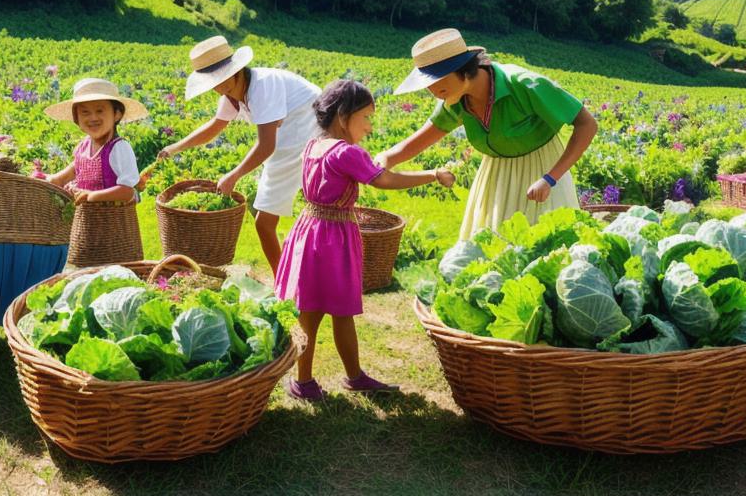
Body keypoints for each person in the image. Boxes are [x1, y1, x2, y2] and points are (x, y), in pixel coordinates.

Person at [276, 80, 455, 401]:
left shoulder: (314, 146)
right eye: (366, 118)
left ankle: (305, 381)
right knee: (340, 311)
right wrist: (433, 174)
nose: (370, 127)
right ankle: (351, 376)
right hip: (333, 239)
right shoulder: (347, 152)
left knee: (309, 311)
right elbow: (383, 179)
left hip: (309, 231)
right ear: (344, 117)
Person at [374, 29, 597, 240]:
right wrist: (386, 158)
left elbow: (587, 124)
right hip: (495, 175)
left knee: (543, 244)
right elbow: (423, 138)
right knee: (490, 248)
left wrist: (550, 178)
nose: (432, 90)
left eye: (437, 80)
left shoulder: (524, 85)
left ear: (463, 69)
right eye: (428, 83)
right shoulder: (454, 99)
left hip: (542, 171)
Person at [158, 35, 320, 274]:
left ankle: (283, 284)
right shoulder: (234, 92)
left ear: (237, 69)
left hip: (304, 129)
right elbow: (214, 127)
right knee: (287, 215)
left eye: (222, 77)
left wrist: (234, 176)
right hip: (297, 132)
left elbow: (266, 146)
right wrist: (175, 148)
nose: (218, 86)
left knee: (265, 222)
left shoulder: (262, 86)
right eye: (212, 81)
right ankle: (290, 275)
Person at [44, 78, 148, 204]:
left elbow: (127, 191)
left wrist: (92, 195)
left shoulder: (119, 148)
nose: (93, 118)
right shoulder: (82, 148)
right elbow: (68, 174)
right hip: (86, 220)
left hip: (114, 220)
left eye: (100, 111)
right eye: (85, 112)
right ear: (76, 118)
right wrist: (50, 180)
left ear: (117, 114)